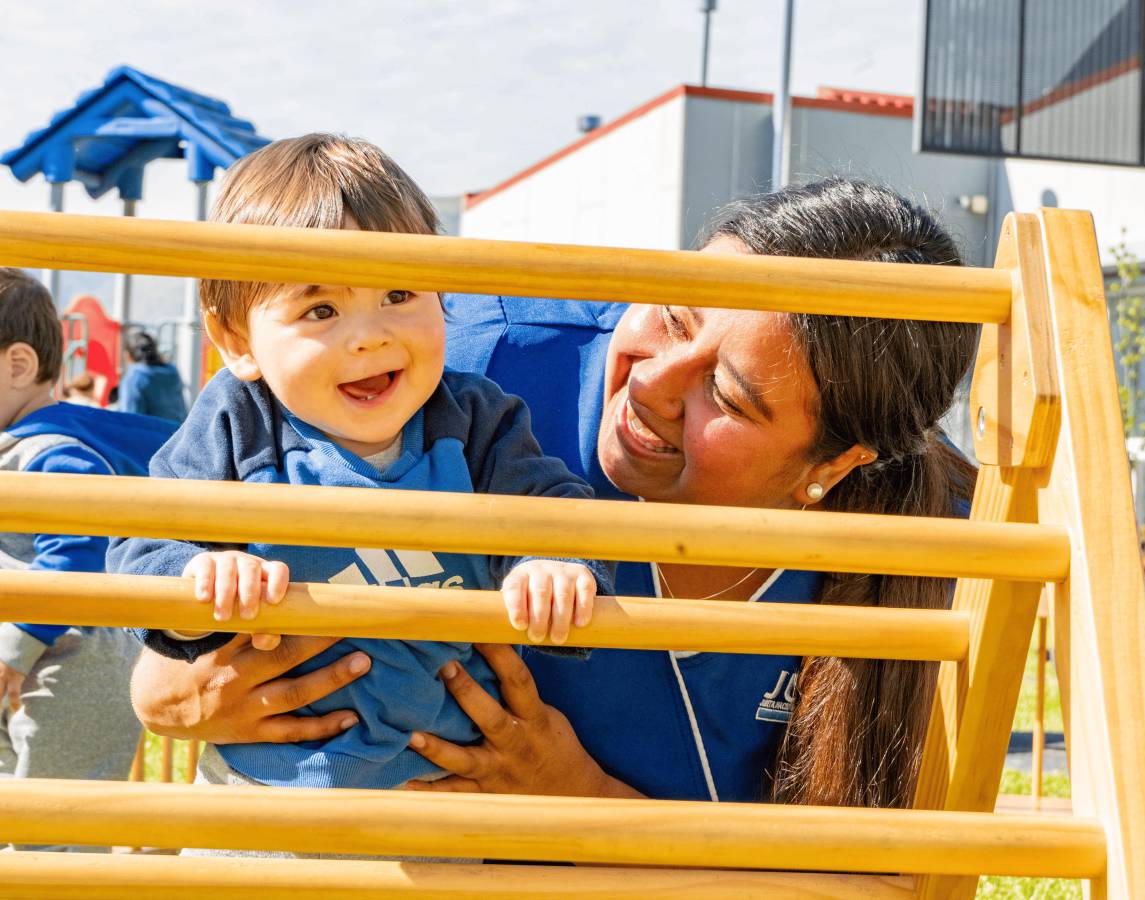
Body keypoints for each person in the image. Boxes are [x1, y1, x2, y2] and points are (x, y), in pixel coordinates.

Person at [126, 178, 978, 810]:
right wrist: (173, 686)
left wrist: (581, 802)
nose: (651, 380)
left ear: (832, 464)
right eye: (674, 318)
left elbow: (855, 875)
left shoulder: (918, 542)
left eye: (727, 395)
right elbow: (188, 582)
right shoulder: (465, 374)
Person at [107, 134, 612, 795]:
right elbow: (142, 545)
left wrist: (552, 561)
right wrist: (198, 574)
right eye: (321, 308)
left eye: (399, 292)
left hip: (438, 797)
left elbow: (550, 502)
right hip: (264, 799)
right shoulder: (238, 421)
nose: (371, 334)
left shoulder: (474, 418)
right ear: (236, 340)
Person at [0, 268, 177, 851]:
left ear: (18, 366)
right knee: (17, 810)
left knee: (57, 821)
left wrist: (15, 652)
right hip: (29, 656)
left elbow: (78, 548)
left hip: (75, 658)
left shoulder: (50, 450)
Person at [117, 330, 187, 422]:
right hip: (179, 432)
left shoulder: (134, 379)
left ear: (127, 356)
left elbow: (130, 420)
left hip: (150, 435)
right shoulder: (173, 372)